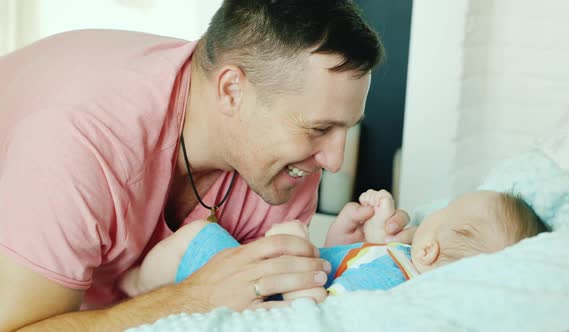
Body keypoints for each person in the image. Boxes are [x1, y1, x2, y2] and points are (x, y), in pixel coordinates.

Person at [0, 1, 419, 330]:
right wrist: (191, 298)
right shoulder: (81, 141)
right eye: (319, 128)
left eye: (344, 129)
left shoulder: (285, 166)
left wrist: (344, 258)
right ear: (232, 90)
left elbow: (268, 310)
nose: (334, 159)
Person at [120, 189, 547, 301]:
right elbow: (347, 266)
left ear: (429, 251)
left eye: (443, 211)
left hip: (266, 290)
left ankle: (135, 284)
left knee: (201, 236)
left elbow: (319, 310)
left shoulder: (390, 279)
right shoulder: (399, 265)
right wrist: (350, 237)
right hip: (277, 276)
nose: (422, 217)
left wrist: (289, 245)